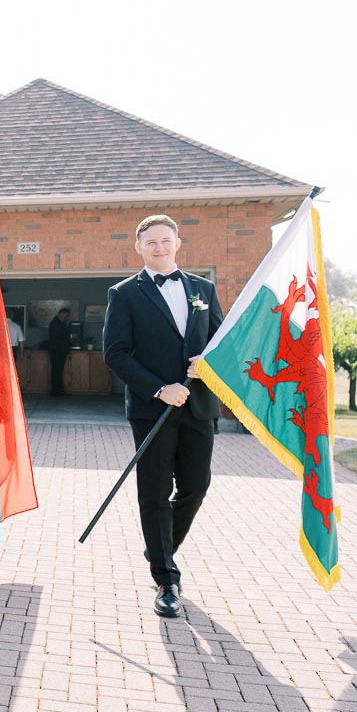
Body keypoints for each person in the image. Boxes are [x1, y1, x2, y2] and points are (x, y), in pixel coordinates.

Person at [103, 214, 224, 618]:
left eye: (165, 240)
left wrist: (207, 363)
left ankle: (160, 543)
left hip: (198, 406)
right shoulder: (123, 294)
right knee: (154, 491)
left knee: (197, 485)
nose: (159, 247)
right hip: (152, 408)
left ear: (177, 243)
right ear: (138, 247)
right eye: (150, 242)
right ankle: (166, 577)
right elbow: (116, 353)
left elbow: (221, 342)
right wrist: (159, 388)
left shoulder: (203, 289)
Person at [47, 308, 72, 396]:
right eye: (66, 315)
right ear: (61, 314)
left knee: (58, 370)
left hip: (58, 351)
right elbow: (60, 338)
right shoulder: (56, 324)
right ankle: (56, 390)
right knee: (57, 370)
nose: (66, 317)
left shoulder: (58, 323)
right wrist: (71, 337)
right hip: (57, 351)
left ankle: (58, 389)